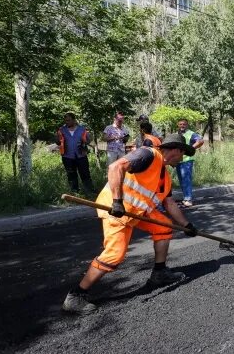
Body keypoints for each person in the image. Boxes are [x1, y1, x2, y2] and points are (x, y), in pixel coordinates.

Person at [62, 134, 199, 314]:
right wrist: (117, 201)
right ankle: (76, 296)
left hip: (136, 212)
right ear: (176, 150)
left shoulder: (164, 176)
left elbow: (169, 203)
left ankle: (159, 273)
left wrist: (186, 225)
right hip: (115, 209)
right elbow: (115, 167)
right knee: (115, 254)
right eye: (183, 154)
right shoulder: (147, 155)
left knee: (164, 226)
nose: (182, 158)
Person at [56, 113, 94, 194]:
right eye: (66, 120)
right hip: (67, 156)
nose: (67, 122)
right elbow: (58, 142)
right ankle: (75, 193)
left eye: (69, 120)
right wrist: (57, 138)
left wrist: (89, 137)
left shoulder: (82, 129)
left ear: (74, 120)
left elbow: (88, 141)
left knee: (85, 174)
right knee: (71, 175)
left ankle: (90, 192)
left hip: (81, 155)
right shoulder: (61, 130)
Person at [176, 119, 205, 208]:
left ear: (187, 125)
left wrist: (190, 148)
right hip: (178, 160)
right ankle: (185, 199)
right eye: (180, 124)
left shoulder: (191, 133)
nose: (182, 125)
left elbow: (200, 141)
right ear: (178, 125)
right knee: (182, 181)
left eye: (184, 124)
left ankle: (188, 199)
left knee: (186, 180)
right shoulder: (177, 134)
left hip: (187, 160)